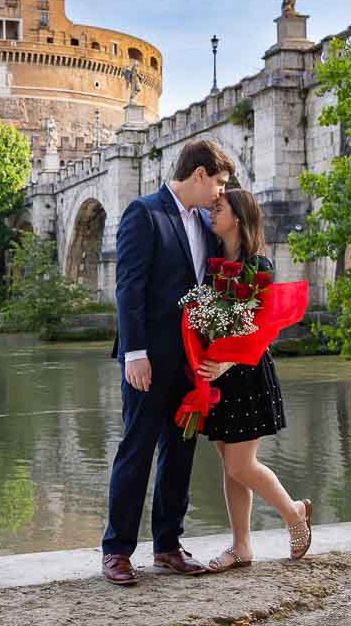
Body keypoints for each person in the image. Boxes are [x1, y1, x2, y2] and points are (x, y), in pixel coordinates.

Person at [102, 140, 235, 586]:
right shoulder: (144, 213)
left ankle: (167, 546)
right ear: (199, 175)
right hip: (149, 361)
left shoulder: (205, 222)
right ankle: (117, 551)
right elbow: (129, 288)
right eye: (218, 183)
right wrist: (135, 354)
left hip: (190, 362)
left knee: (180, 452)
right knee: (136, 451)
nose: (220, 193)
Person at [197, 189, 312, 572]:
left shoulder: (259, 265)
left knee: (240, 466)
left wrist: (225, 364)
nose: (212, 214)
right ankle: (241, 546)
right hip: (216, 376)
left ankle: (293, 513)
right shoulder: (212, 266)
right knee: (228, 465)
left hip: (245, 374)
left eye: (219, 208)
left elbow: (262, 330)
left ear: (239, 219)